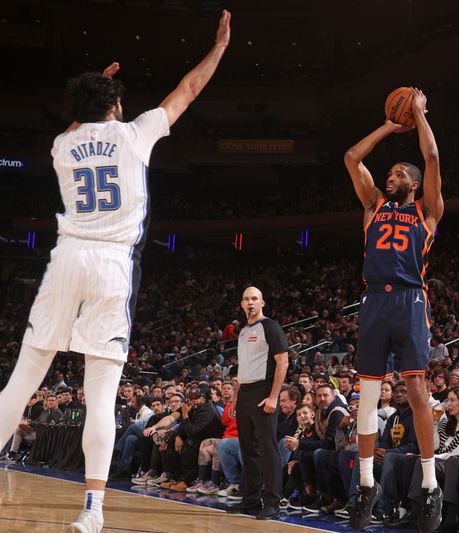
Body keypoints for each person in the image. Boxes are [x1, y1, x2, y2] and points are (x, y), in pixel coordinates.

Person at [0, 11, 230, 533]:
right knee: (101, 393)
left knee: (21, 382)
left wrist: (90, 100)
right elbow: (188, 89)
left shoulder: (62, 145)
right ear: (114, 105)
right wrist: (217, 49)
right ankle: (93, 510)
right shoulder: (133, 134)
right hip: (111, 265)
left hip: (66, 261)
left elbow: (73, 129)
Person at [344, 87, 444, 532]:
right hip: (374, 300)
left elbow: (434, 157)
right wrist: (389, 125)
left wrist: (419, 115)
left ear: (415, 183)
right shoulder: (373, 206)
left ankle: (429, 484)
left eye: (399, 172)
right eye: (388, 172)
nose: (391, 176)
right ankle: (366, 483)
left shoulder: (428, 211)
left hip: (409, 299)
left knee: (418, 391)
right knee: (366, 395)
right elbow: (351, 157)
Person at [226, 286, 289, 520]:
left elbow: (283, 363)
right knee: (248, 449)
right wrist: (235, 398)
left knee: (268, 449)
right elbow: (243, 368)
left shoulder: (270, 327)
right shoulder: (243, 331)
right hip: (245, 393)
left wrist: (273, 396)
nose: (250, 302)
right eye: (246, 299)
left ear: (262, 303)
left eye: (254, 299)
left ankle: (272, 501)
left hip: (264, 391)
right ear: (242, 304)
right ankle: (251, 500)